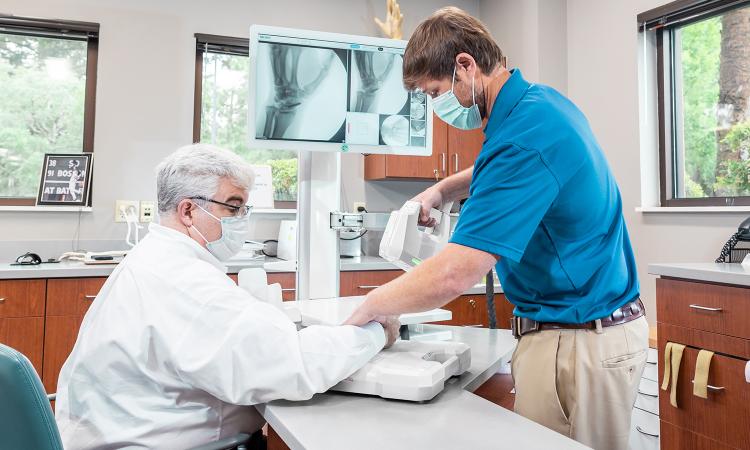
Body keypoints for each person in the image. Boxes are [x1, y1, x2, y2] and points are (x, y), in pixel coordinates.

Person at [345, 7, 647, 450]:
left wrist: (372, 306)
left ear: (465, 65)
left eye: (435, 93)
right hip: (591, 329)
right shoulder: (540, 105)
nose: (436, 108)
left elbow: (457, 271)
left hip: (577, 341)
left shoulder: (524, 136)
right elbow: (501, 168)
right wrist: (443, 190)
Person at [55, 144, 399, 449]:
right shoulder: (185, 282)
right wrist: (373, 333)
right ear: (188, 210)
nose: (243, 220)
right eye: (233, 207)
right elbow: (294, 367)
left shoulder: (154, 258)